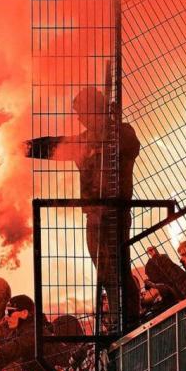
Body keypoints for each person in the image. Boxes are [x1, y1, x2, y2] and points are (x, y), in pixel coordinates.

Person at [26, 87, 141, 332]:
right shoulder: (84, 140)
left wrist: (109, 129)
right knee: (104, 270)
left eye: (82, 112)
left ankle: (128, 318)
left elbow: (129, 147)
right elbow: (51, 146)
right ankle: (119, 318)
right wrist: (21, 148)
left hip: (115, 212)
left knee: (117, 269)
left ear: (94, 110)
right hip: (94, 217)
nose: (78, 118)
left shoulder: (123, 133)